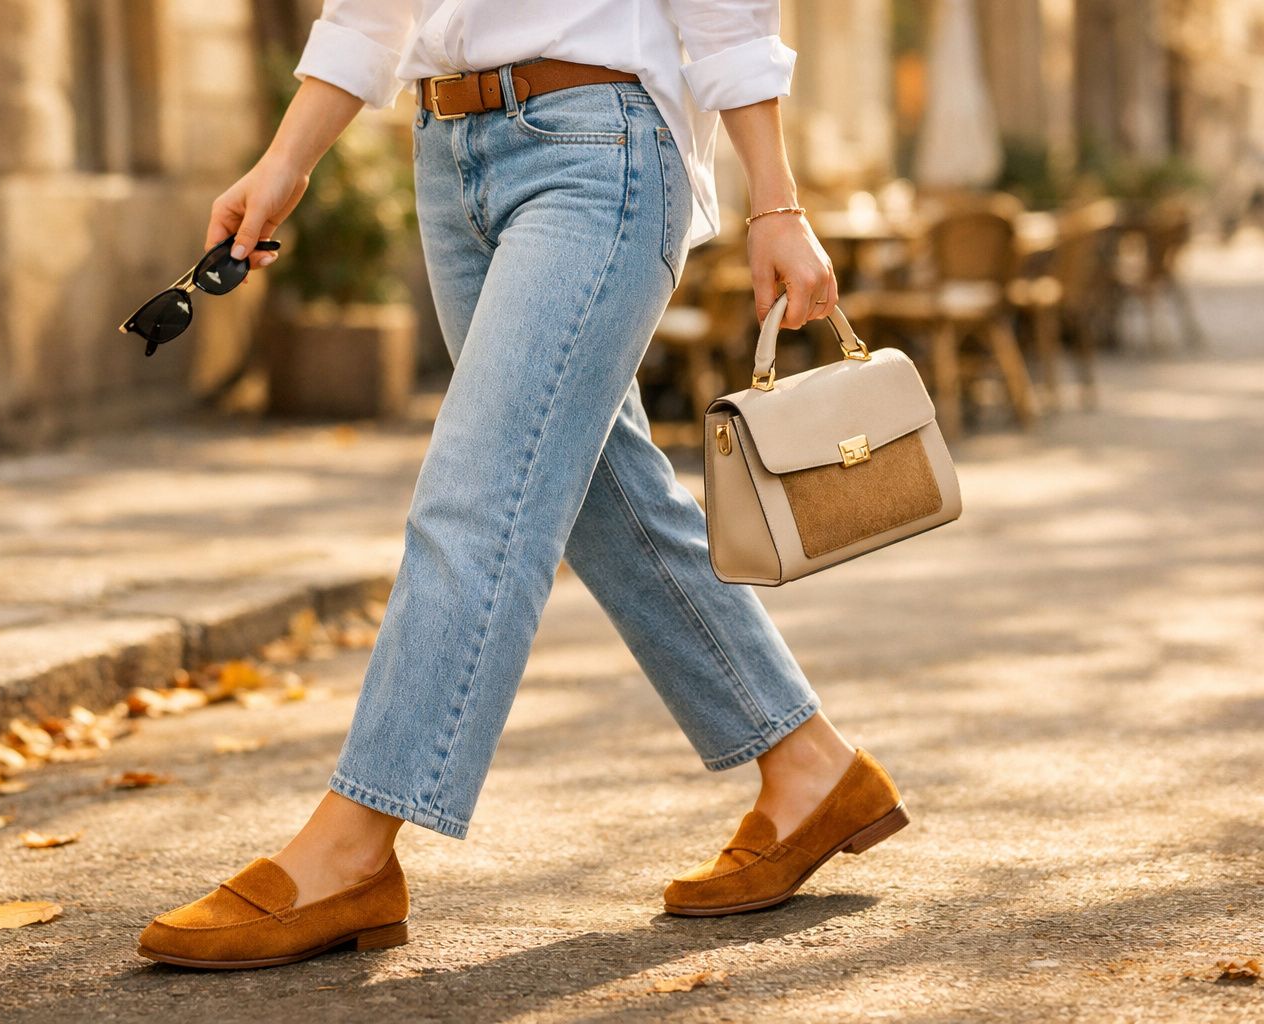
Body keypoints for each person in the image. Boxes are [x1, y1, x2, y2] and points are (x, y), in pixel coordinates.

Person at [137, 0, 909, 971]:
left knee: (481, 497)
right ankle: (808, 767)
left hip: (599, 147)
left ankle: (351, 848)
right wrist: (286, 160)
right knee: (604, 493)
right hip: (448, 149)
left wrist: (777, 201)